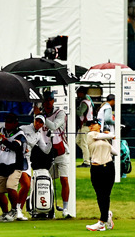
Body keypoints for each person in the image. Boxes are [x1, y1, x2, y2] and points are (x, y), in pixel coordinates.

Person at [40, 90, 73, 218]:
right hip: (46, 151)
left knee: (64, 179)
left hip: (61, 150)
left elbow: (54, 126)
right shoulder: (40, 115)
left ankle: (65, 209)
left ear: (53, 100)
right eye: (46, 100)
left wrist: (41, 118)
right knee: (46, 181)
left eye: (50, 100)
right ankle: (49, 208)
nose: (48, 103)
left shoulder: (60, 113)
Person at [0, 113, 28, 222]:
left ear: (15, 123)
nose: (7, 124)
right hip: (2, 164)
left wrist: (3, 140)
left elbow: (15, 147)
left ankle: (14, 210)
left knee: (11, 187)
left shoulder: (20, 135)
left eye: (9, 122)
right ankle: (5, 213)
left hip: (15, 165)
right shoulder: (1, 131)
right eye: (6, 121)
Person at [84, 122, 118, 231]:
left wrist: (113, 139)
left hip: (108, 167)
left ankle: (102, 222)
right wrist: (111, 134)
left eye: (93, 124)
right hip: (96, 168)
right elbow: (100, 136)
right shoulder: (90, 135)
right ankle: (106, 215)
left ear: (99, 126)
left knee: (105, 195)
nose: (91, 127)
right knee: (100, 195)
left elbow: (115, 152)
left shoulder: (105, 139)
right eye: (89, 125)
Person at [76, 87, 95, 167]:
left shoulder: (84, 102)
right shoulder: (88, 101)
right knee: (78, 141)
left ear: (82, 93)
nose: (77, 94)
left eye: (78, 93)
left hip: (85, 124)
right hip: (84, 125)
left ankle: (87, 161)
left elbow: (80, 113)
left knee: (83, 143)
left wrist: (74, 109)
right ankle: (89, 156)